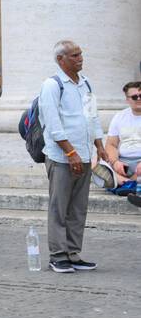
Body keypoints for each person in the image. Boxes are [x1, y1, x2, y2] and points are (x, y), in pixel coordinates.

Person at [38, 40, 107, 274]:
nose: (80, 58)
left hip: (85, 154)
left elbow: (92, 116)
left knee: (78, 207)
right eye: (75, 55)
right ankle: (58, 255)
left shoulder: (85, 83)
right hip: (62, 157)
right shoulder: (52, 85)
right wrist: (70, 152)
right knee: (60, 207)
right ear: (61, 60)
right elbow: (53, 124)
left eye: (80, 54)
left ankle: (73, 253)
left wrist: (100, 145)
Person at [103, 81, 141, 180]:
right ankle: (130, 182)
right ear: (127, 100)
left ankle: (121, 182)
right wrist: (115, 162)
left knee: (106, 176)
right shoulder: (119, 117)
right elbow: (111, 145)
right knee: (95, 162)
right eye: (134, 97)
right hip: (124, 161)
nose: (139, 99)